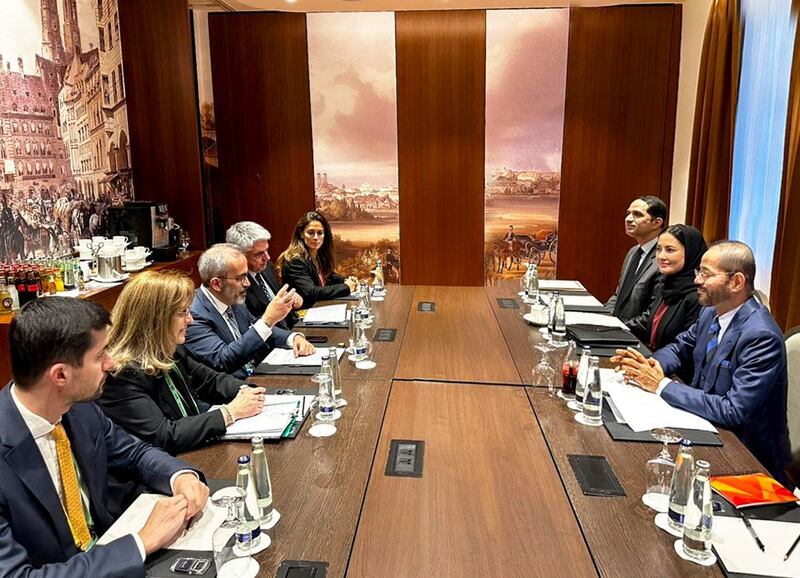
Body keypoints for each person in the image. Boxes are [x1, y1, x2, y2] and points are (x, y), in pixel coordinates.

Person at [0, 297, 209, 577]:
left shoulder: (79, 408)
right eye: (100, 356)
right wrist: (141, 542)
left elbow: (135, 453)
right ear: (60, 375)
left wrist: (180, 476)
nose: (111, 363)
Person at [613, 241, 792, 485]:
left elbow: (732, 410)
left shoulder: (761, 336)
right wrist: (650, 365)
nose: (697, 280)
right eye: (699, 271)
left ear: (736, 282)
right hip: (704, 430)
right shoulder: (710, 312)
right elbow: (680, 347)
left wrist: (661, 385)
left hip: (746, 462)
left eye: (706, 274)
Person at [100, 270, 266, 455]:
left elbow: (210, 381)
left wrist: (249, 392)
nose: (190, 320)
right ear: (156, 319)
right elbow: (163, 435)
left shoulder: (171, 349)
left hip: (194, 450)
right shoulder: (122, 374)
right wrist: (229, 413)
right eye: (182, 312)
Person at [185, 244, 315, 379]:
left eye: (246, 275)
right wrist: (267, 320)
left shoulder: (232, 298)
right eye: (240, 278)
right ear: (216, 284)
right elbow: (223, 359)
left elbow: (255, 327)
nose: (247, 283)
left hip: (255, 374)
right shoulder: (193, 315)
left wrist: (292, 338)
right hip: (232, 386)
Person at [628, 224, 707, 351]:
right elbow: (648, 325)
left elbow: (686, 348)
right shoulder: (666, 284)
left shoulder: (698, 295)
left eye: (670, 250)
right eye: (658, 249)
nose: (661, 256)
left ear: (690, 252)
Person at [225, 221, 303, 328]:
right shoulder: (235, 284)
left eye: (266, 250)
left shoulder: (267, 266)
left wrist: (289, 300)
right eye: (259, 254)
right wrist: (275, 312)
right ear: (239, 255)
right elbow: (248, 326)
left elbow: (275, 300)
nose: (267, 257)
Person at [605, 196, 667, 324]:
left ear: (657, 223)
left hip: (636, 331)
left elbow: (652, 313)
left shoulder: (663, 258)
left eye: (637, 215)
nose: (628, 219)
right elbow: (619, 296)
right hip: (616, 327)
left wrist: (621, 327)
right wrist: (602, 318)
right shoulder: (633, 252)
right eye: (628, 213)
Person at [277, 211, 357, 308]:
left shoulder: (319, 256)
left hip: (318, 309)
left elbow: (330, 277)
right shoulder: (295, 261)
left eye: (320, 233)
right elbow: (311, 292)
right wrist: (346, 287)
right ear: (301, 234)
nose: (316, 237)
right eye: (311, 233)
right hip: (301, 314)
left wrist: (348, 281)